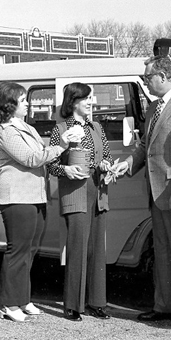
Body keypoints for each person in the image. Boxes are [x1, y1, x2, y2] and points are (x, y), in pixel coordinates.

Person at [112, 55, 171, 328]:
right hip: (156, 193)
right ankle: (166, 307)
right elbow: (145, 147)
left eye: (148, 77)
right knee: (162, 252)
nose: (145, 81)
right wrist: (127, 165)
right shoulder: (154, 108)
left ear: (163, 77)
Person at [0, 82, 77, 322]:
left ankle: (22, 299)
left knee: (30, 249)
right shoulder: (7, 131)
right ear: (11, 105)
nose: (27, 103)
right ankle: (9, 304)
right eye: (23, 100)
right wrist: (61, 146)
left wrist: (58, 144)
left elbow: (42, 152)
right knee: (18, 250)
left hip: (34, 195)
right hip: (17, 197)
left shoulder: (25, 127)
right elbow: (31, 158)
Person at [47, 82, 114, 322]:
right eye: (86, 98)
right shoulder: (61, 129)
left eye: (90, 98)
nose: (90, 102)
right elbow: (51, 164)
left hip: (98, 192)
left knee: (97, 249)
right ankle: (73, 306)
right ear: (73, 101)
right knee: (77, 250)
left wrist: (107, 165)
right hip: (76, 193)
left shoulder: (96, 127)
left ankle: (97, 302)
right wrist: (66, 170)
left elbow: (105, 157)